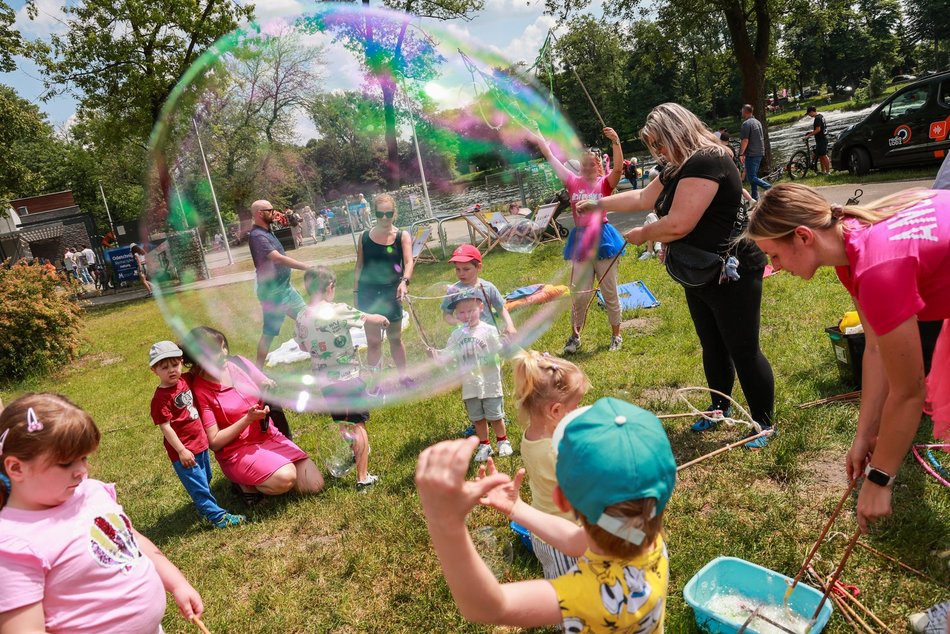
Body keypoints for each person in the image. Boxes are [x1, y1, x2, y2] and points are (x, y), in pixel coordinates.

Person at [745, 184, 950, 532]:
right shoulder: (851, 245)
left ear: (803, 236)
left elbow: (908, 391)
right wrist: (864, 434)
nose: (774, 267)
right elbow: (875, 349)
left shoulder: (877, 269)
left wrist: (880, 477)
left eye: (774, 255)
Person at [579, 103, 775, 448]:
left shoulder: (709, 159)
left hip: (732, 269)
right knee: (712, 344)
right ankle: (719, 407)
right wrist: (599, 203)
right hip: (700, 269)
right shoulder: (678, 165)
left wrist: (644, 234)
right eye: (653, 146)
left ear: (676, 131)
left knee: (742, 348)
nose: (658, 151)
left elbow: (680, 223)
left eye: (660, 143)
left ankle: (764, 422)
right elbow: (643, 197)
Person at [415, 397, 676, 633]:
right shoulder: (643, 536)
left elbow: (486, 607)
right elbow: (574, 540)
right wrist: (516, 508)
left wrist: (445, 522)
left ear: (560, 499)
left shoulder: (591, 594)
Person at [0, 393, 205, 633]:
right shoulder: (15, 544)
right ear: (16, 468)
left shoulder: (90, 492)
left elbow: (131, 539)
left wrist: (176, 582)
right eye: (66, 463)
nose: (81, 470)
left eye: (83, 458)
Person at [185, 326, 324, 504]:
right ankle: (245, 485)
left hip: (268, 436)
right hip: (238, 450)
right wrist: (247, 419)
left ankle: (269, 472)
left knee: (315, 485)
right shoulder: (201, 390)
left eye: (223, 347)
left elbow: (263, 382)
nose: (224, 353)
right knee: (286, 477)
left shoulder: (238, 363)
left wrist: (269, 386)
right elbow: (215, 441)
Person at [529, 126, 627, 354]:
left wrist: (616, 141)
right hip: (581, 241)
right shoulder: (572, 182)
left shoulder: (605, 184)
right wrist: (539, 136)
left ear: (598, 166)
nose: (587, 167)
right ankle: (575, 336)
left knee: (609, 291)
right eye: (584, 165)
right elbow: (550, 156)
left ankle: (616, 335)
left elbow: (618, 169)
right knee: (579, 294)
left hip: (603, 239)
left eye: (591, 164)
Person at [294, 266, 383, 489]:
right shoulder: (339, 309)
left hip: (326, 383)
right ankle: (363, 478)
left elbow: (303, 346)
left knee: (343, 422)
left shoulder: (301, 316)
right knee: (358, 424)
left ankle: (356, 450)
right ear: (330, 287)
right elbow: (367, 318)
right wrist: (382, 319)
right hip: (349, 378)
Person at [507, 349, 591, 578]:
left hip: (543, 531)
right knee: (571, 589)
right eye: (575, 406)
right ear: (555, 411)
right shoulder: (555, 452)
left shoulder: (531, 436)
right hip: (565, 537)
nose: (578, 410)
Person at [148, 340, 246, 528]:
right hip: (184, 451)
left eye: (175, 364)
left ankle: (204, 508)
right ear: (154, 370)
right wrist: (181, 451)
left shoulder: (185, 380)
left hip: (200, 443)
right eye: (164, 367)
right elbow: (166, 427)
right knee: (198, 486)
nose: (171, 370)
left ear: (181, 362)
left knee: (205, 478)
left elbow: (200, 368)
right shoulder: (160, 399)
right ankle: (218, 517)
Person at [428, 291, 511, 462]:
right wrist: (435, 355)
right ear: (456, 315)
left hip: (490, 382)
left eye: (471, 310)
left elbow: (499, 350)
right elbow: (447, 355)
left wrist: (505, 345)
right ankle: (485, 445)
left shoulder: (488, 330)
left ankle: (502, 441)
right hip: (470, 384)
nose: (467, 315)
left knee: (496, 415)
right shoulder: (457, 335)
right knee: (477, 418)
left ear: (481, 307)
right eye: (462, 312)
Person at [354, 193, 413, 384]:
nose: (385, 218)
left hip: (391, 293)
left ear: (395, 213)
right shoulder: (364, 237)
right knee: (373, 342)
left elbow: (408, 262)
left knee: (395, 339)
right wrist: (356, 292)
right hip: (368, 294)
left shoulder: (402, 236)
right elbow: (359, 266)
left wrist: (404, 281)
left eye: (389, 214)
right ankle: (375, 384)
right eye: (380, 214)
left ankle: (403, 377)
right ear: (375, 214)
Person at [248, 199, 309, 366]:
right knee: (269, 334)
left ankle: (321, 352)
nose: (274, 212)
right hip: (273, 294)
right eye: (270, 210)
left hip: (286, 288)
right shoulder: (257, 236)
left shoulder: (267, 232)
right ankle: (258, 371)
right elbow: (277, 258)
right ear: (260, 213)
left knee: (308, 319)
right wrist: (307, 267)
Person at [439, 244, 517, 338]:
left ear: (478, 267)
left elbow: (501, 309)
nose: (461, 273)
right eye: (457, 269)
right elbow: (446, 314)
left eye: (466, 269)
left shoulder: (487, 287)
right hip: (466, 337)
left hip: (488, 335)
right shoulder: (453, 291)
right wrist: (457, 322)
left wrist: (510, 325)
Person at [739, 104, 771, 201]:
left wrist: (741, 154)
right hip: (759, 152)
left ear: (745, 112)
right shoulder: (757, 122)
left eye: (742, 110)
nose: (741, 112)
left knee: (751, 178)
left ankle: (771, 188)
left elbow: (745, 140)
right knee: (753, 176)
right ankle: (754, 198)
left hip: (751, 153)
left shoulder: (746, 124)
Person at [804, 106, 831, 175]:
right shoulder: (821, 116)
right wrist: (811, 132)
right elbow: (821, 128)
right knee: (821, 155)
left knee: (824, 155)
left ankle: (828, 172)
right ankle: (823, 171)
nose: (809, 115)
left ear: (812, 112)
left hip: (822, 139)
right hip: (822, 138)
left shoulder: (817, 118)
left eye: (809, 113)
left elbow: (818, 130)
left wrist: (809, 135)